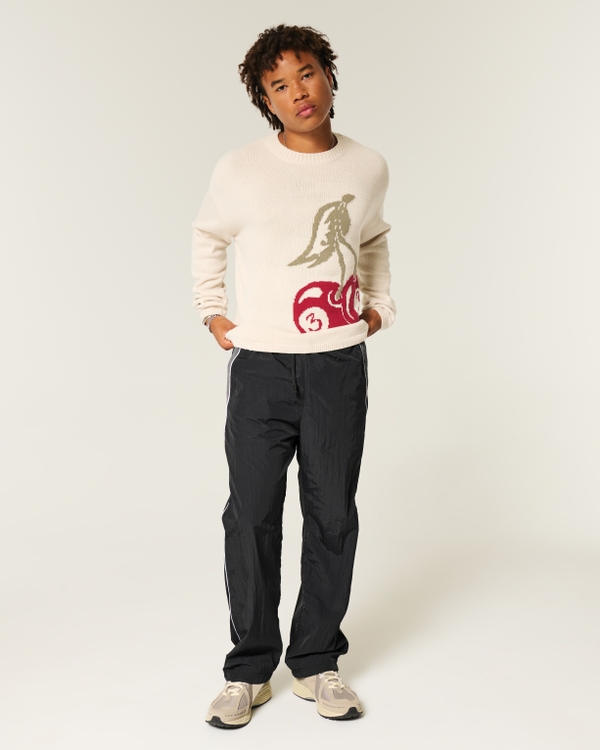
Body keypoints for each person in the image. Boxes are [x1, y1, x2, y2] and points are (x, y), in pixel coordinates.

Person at [191, 24, 395, 728]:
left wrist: (379, 307)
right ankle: (248, 669)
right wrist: (213, 313)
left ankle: (316, 661)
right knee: (250, 513)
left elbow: (374, 238)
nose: (297, 92)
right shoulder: (241, 168)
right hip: (261, 365)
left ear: (328, 75)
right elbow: (207, 235)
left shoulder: (367, 166)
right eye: (278, 85)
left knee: (332, 511)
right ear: (265, 100)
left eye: (306, 73)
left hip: (338, 362)